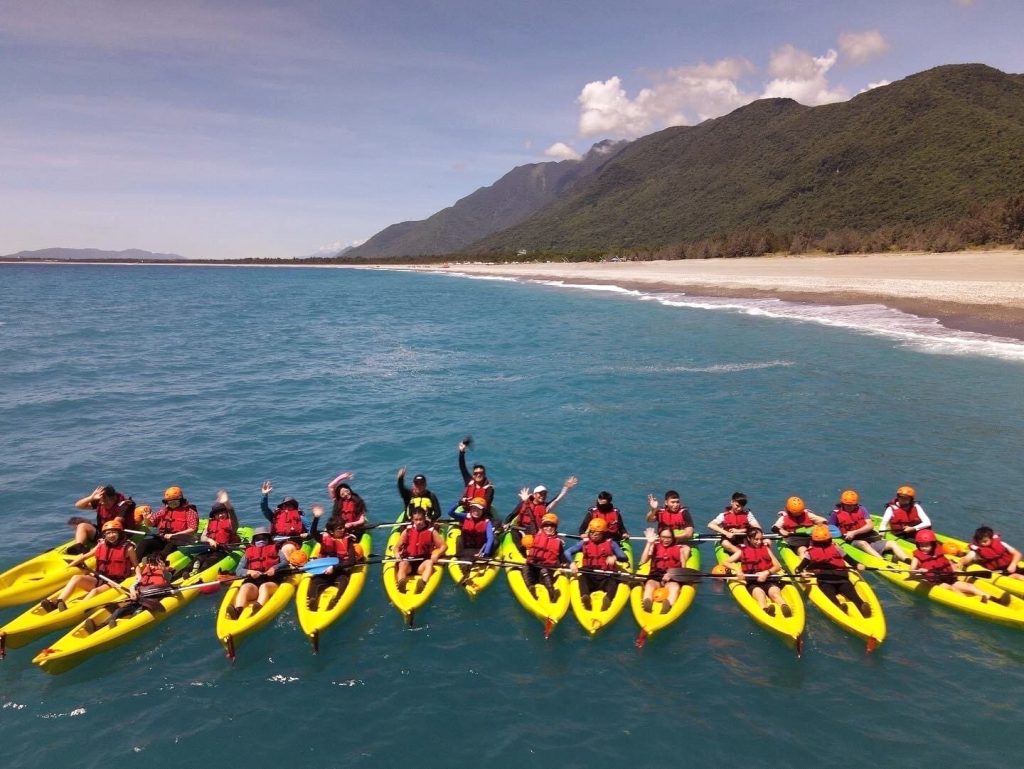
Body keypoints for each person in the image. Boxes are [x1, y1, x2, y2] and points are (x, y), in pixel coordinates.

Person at [42, 519, 138, 612]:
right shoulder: (101, 545)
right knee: (76, 578)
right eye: (108, 533)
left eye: (114, 532)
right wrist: (69, 566)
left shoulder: (128, 548)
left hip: (116, 580)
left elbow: (135, 565)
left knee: (94, 591)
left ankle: (77, 609)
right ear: (105, 535)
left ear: (119, 533)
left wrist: (138, 578)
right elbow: (85, 556)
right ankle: (57, 603)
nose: (111, 535)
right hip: (99, 577)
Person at [910, 529, 1010, 604]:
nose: (924, 548)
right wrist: (920, 571)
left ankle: (994, 600)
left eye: (927, 545)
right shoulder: (917, 557)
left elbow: (945, 561)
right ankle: (972, 602)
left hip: (949, 578)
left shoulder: (938, 552)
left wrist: (953, 567)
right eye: (922, 545)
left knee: (970, 586)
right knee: (951, 588)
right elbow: (911, 572)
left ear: (933, 544)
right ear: (918, 545)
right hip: (936, 582)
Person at [85, 550, 176, 632]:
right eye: (152, 564)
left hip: (151, 602)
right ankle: (100, 627)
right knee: (118, 611)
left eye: (156, 564)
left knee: (138, 612)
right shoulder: (146, 573)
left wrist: (163, 568)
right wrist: (133, 591)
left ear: (163, 564)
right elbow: (136, 584)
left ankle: (119, 627)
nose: (153, 567)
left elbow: (166, 583)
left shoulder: (166, 573)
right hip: (139, 600)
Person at [794, 524, 872, 616]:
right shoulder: (836, 547)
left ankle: (839, 606)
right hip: (842, 578)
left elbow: (799, 568)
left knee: (830, 594)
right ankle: (860, 604)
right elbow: (849, 560)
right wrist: (857, 564)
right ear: (829, 539)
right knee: (852, 594)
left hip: (825, 581)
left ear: (813, 540)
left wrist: (801, 573)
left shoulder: (810, 552)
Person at [722, 528, 793, 617]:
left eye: (761, 539)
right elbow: (726, 562)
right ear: (749, 538)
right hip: (752, 581)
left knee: (775, 594)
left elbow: (777, 566)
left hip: (768, 579)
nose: (759, 542)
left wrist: (766, 572)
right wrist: (738, 570)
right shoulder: (742, 551)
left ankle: (784, 606)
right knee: (760, 595)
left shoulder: (766, 549)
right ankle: (766, 610)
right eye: (756, 539)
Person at [306, 505, 366, 610]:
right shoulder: (324, 538)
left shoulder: (348, 541)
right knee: (315, 582)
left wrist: (334, 568)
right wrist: (316, 518)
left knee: (343, 582)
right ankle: (313, 600)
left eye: (343, 527)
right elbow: (313, 533)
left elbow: (351, 561)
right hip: (325, 571)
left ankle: (335, 600)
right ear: (331, 532)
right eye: (340, 528)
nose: (343, 530)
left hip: (340, 570)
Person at [828, 489, 909, 562]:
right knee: (862, 543)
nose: (850, 507)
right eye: (847, 505)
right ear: (842, 504)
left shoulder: (861, 509)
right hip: (853, 542)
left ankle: (907, 560)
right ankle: (882, 561)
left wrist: (854, 532)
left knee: (892, 543)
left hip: (869, 539)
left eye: (852, 505)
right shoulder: (835, 514)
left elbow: (870, 525)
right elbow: (830, 531)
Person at [565, 518, 629, 611]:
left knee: (613, 581)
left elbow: (624, 557)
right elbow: (567, 552)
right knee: (582, 578)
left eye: (596, 533)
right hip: (589, 574)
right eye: (591, 532)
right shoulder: (584, 543)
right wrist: (571, 563)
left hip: (606, 575)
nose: (593, 535)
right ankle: (585, 597)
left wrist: (615, 557)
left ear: (603, 533)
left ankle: (607, 599)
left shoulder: (611, 544)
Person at [226, 527, 288, 620]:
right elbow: (238, 570)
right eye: (258, 539)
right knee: (245, 587)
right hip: (254, 583)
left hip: (271, 581)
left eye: (264, 538)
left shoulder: (276, 550)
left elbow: (285, 562)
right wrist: (249, 571)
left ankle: (258, 608)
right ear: (254, 541)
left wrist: (274, 568)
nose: (261, 541)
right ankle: (238, 610)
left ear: (268, 539)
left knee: (264, 587)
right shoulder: (248, 553)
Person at [638, 526, 690, 614]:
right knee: (649, 585)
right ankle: (647, 603)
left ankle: (668, 605)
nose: (666, 540)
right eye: (663, 537)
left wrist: (671, 574)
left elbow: (683, 568)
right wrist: (649, 543)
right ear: (659, 537)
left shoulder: (679, 549)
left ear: (673, 538)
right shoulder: (654, 546)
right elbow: (643, 561)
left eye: (669, 537)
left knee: (674, 587)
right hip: (656, 576)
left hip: (672, 578)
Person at [70, 484, 135, 553]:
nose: (102, 503)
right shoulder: (101, 501)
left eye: (104, 501)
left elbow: (114, 524)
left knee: (112, 530)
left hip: (119, 534)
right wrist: (91, 497)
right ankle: (79, 548)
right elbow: (78, 505)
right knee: (82, 525)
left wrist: (104, 537)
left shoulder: (126, 505)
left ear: (113, 498)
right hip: (103, 532)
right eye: (101, 501)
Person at [505, 476, 577, 536]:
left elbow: (557, 499)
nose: (543, 496)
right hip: (521, 530)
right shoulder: (524, 502)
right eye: (540, 494)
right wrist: (505, 524)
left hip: (535, 533)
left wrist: (566, 487)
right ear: (534, 495)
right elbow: (513, 514)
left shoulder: (546, 507)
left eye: (544, 494)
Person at [394, 509, 445, 593]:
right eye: (416, 520)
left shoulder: (432, 532)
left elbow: (443, 546)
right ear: (412, 520)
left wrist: (438, 554)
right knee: (402, 564)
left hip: (422, 564)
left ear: (424, 518)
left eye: (420, 519)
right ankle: (401, 584)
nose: (418, 522)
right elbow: (396, 547)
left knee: (429, 562)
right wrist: (396, 554)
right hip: (409, 563)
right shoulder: (407, 531)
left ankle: (422, 583)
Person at [521, 513, 569, 601]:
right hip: (534, 568)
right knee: (525, 568)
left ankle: (552, 592)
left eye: (552, 526)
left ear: (555, 528)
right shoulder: (535, 537)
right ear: (542, 527)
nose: (549, 528)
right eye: (546, 526)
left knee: (544, 571)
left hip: (547, 571)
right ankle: (530, 587)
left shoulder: (558, 542)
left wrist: (568, 564)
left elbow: (563, 558)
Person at [449, 497, 497, 583]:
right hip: (466, 548)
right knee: (459, 538)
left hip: (479, 549)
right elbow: (450, 513)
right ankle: (464, 570)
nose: (476, 511)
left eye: (479, 509)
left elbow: (490, 538)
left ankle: (478, 563)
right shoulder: (465, 516)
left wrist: (484, 553)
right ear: (471, 509)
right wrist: (459, 503)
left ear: (483, 511)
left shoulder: (487, 522)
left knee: (495, 541)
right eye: (474, 508)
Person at [146, 486, 199, 557]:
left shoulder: (189, 512)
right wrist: (146, 519)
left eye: (175, 502)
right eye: (170, 502)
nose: (172, 504)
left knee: (169, 546)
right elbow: (150, 524)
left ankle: (160, 559)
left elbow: (192, 529)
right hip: (163, 538)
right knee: (146, 543)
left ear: (181, 500)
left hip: (180, 540)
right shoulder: (163, 511)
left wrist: (174, 535)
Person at [957, 526, 1024, 581]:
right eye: (980, 541)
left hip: (1013, 567)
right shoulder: (976, 552)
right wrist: (960, 564)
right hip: (1000, 574)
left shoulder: (1002, 544)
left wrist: (1013, 564)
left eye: (985, 541)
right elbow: (965, 559)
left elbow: (1018, 554)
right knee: (1017, 576)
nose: (982, 544)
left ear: (991, 538)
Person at [196, 491, 241, 570]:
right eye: (217, 513)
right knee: (197, 559)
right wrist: (209, 540)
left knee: (207, 563)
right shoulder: (210, 523)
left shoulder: (231, 524)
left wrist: (226, 502)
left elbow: (232, 514)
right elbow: (203, 537)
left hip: (224, 551)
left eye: (222, 512)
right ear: (214, 515)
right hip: (209, 549)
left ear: (226, 512)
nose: (220, 515)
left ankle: (200, 574)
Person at [260, 480, 306, 559]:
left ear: (294, 507)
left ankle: (286, 563)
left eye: (290, 505)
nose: (287, 507)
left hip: (293, 542)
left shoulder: (301, 517)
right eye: (285, 505)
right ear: (282, 507)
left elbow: (310, 530)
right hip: (277, 541)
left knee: (287, 548)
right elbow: (264, 509)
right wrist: (265, 495)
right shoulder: (275, 516)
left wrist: (306, 535)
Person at [457, 439, 495, 514]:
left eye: (481, 473)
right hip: (467, 510)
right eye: (476, 473)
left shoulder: (489, 488)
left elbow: (486, 502)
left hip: (481, 513)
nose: (478, 475)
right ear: (473, 475)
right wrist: (461, 451)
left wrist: (470, 501)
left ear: (484, 474)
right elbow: (462, 467)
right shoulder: (469, 481)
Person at [327, 471, 368, 536]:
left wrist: (352, 524)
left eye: (347, 491)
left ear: (349, 489)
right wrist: (343, 476)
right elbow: (330, 486)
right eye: (342, 494)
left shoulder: (358, 501)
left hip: (355, 528)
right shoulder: (337, 501)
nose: (346, 494)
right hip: (341, 529)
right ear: (340, 496)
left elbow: (362, 520)